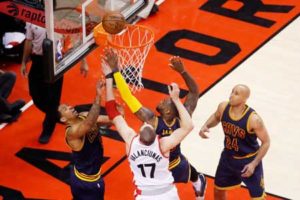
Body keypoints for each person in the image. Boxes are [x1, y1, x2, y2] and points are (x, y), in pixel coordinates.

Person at [102, 48, 207, 199]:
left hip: (174, 162)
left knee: (193, 175)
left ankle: (198, 182)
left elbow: (195, 92)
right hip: (163, 165)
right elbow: (128, 97)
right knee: (189, 173)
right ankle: (198, 181)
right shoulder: (159, 121)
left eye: (167, 101)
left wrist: (183, 71)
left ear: (170, 112)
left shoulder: (158, 120)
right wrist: (181, 74)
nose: (164, 99)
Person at [199, 84, 270, 200]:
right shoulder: (223, 107)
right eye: (232, 91)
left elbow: (266, 142)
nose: (231, 95)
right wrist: (206, 125)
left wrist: (254, 164)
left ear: (244, 99)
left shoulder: (254, 119)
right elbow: (216, 117)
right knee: (218, 189)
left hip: (248, 161)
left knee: (258, 198)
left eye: (236, 94)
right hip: (228, 158)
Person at [21, 22, 88, 144]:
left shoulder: (60, 18)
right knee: (35, 94)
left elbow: (75, 39)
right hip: (38, 61)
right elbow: (29, 41)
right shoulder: (32, 18)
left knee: (53, 98)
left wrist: (83, 62)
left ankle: (48, 127)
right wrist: (24, 61)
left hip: (56, 63)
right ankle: (57, 114)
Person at [58, 80, 110, 200]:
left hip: (91, 175)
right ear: (63, 119)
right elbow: (90, 123)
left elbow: (106, 120)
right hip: (86, 181)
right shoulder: (71, 133)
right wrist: (98, 96)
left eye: (68, 105)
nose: (70, 107)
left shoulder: (83, 115)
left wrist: (117, 115)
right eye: (65, 109)